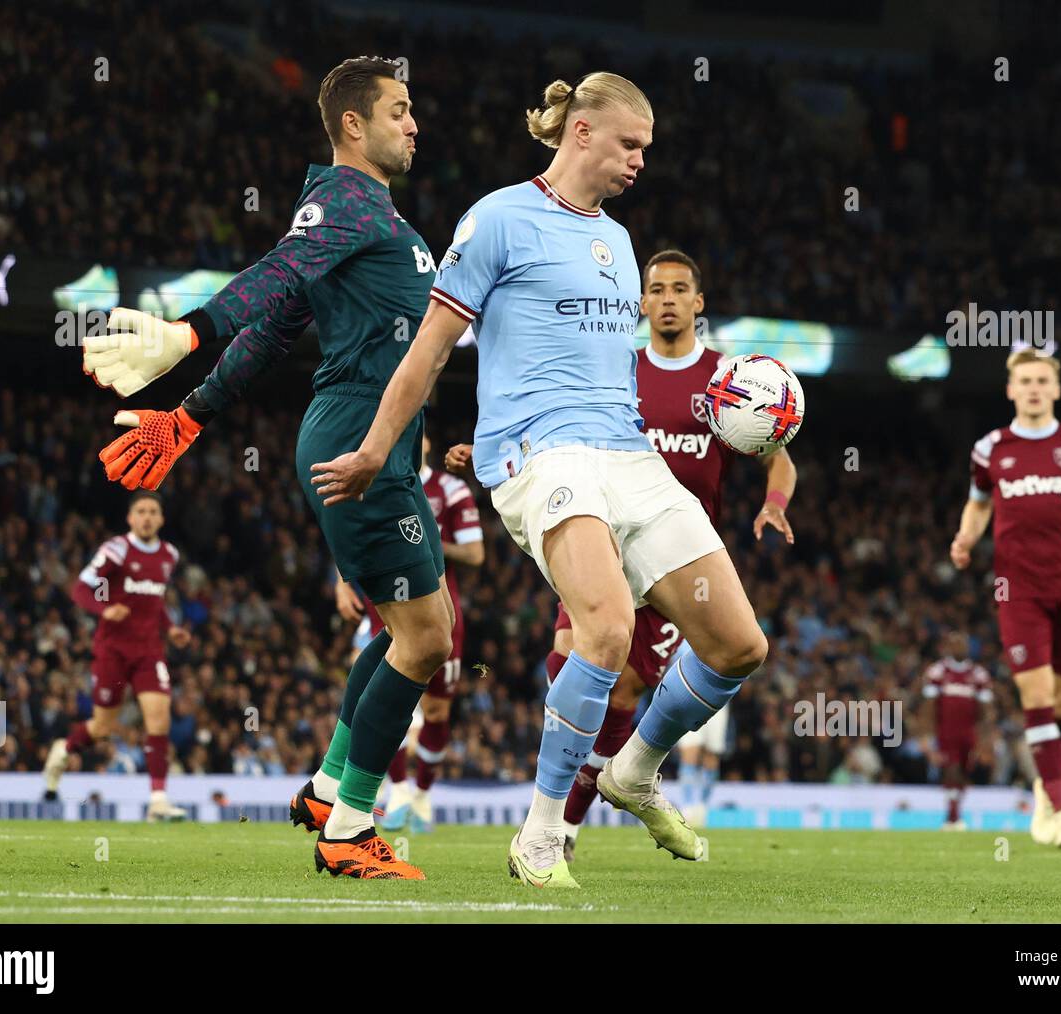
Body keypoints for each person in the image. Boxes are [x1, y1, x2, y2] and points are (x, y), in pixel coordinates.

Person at [312, 73, 770, 888]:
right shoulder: (496, 219)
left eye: (646, 150)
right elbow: (427, 352)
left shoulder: (621, 242)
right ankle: (540, 834)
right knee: (605, 627)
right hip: (537, 453)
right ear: (583, 132)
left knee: (739, 644)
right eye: (630, 144)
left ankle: (632, 771)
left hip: (625, 453)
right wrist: (379, 448)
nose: (639, 161)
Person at [85, 56, 453, 880]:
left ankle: (329, 791)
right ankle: (349, 831)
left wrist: (191, 413)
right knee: (429, 638)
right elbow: (277, 275)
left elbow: (278, 325)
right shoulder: (346, 199)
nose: (414, 123)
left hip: (369, 432)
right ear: (353, 124)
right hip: (360, 432)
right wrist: (186, 334)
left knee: (409, 632)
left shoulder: (365, 215)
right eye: (399, 109)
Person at [447, 248, 797, 856]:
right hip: (600, 531)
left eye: (679, 288)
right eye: (655, 288)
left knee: (630, 691)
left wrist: (775, 502)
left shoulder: (726, 382)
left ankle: (580, 814)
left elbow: (778, 455)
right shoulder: (620, 370)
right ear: (640, 302)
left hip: (675, 557)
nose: (666, 299)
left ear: (698, 302)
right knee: (575, 654)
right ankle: (551, 824)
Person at [950, 349, 1061, 847]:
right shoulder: (991, 449)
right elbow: (978, 505)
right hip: (1017, 590)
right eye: (1024, 380)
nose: (1032, 388)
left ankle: (1047, 789)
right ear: (1010, 389)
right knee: (1038, 696)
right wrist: (965, 539)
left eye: (1041, 380)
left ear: (1056, 388)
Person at [343, 430, 484, 833]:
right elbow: (349, 534)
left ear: (425, 440)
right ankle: (398, 788)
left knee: (437, 711)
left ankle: (421, 794)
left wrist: (427, 546)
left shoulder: (451, 488)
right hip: (383, 609)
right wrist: (341, 582)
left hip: (440, 611)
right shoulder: (372, 478)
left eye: (416, 432)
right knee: (383, 699)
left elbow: (475, 553)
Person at [46, 491, 191, 820]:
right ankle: (64, 749)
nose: (147, 517)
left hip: (149, 651)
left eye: (153, 511)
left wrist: (171, 629)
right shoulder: (116, 549)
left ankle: (158, 801)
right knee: (103, 726)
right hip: (112, 650)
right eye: (140, 511)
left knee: (159, 719)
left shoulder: (169, 555)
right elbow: (81, 588)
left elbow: (155, 601)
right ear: (130, 518)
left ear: (162, 519)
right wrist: (104, 609)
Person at [921, 631, 993, 830]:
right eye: (955, 643)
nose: (960, 647)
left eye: (963, 643)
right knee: (951, 769)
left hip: (969, 732)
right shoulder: (937, 672)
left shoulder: (978, 674)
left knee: (963, 773)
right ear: (948, 647)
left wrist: (986, 739)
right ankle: (952, 817)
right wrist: (926, 736)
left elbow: (986, 711)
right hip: (946, 732)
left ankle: (955, 811)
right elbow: (928, 707)